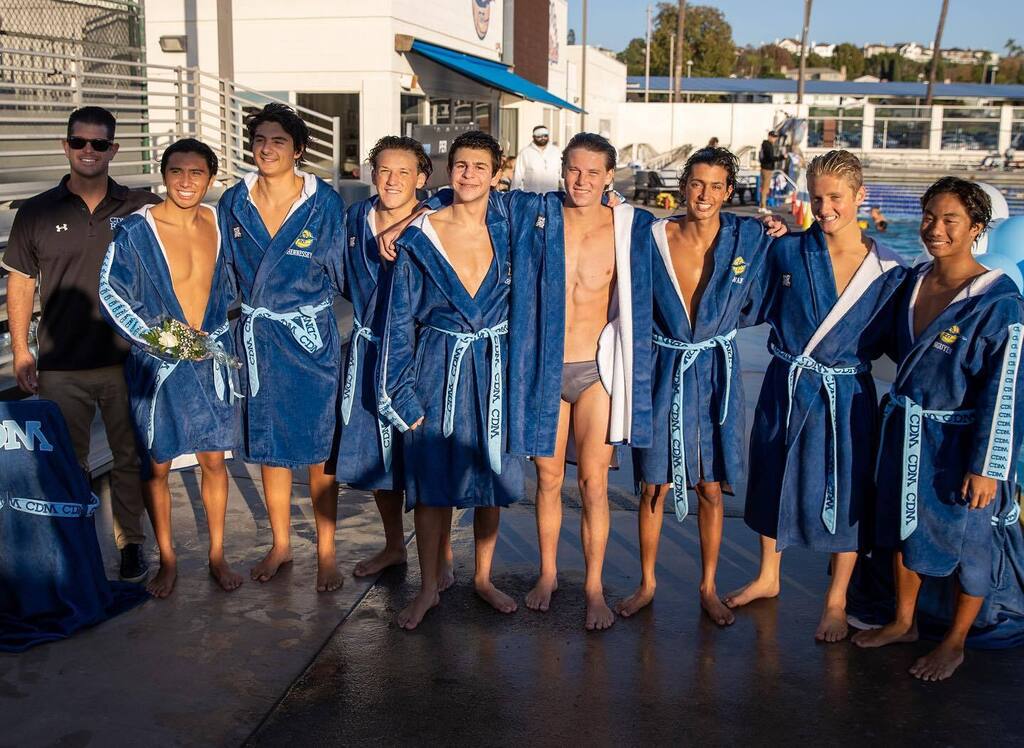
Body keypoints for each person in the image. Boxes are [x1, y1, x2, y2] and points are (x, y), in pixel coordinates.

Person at [726, 150, 907, 642]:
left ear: (860, 197)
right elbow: (746, 303)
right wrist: (752, 240)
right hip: (786, 382)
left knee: (847, 491)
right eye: (818, 197)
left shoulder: (890, 270)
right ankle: (768, 575)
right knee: (772, 477)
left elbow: (904, 341)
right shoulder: (788, 250)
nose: (825, 208)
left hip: (846, 394)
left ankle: (836, 600)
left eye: (837, 198)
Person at [852, 178, 1024, 680]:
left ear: (977, 228)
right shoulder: (915, 280)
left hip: (960, 442)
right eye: (930, 217)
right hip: (906, 430)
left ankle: (955, 642)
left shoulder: (999, 303)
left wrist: (988, 468)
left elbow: (1005, 393)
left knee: (969, 541)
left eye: (950, 220)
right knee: (902, 529)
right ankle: (905, 621)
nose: (935, 229)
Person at [620, 147, 786, 625]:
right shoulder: (652, 237)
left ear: (729, 192)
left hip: (716, 375)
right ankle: (647, 583)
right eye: (697, 183)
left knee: (710, 487)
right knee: (653, 484)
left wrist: (778, 226)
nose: (705, 195)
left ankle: (708, 586)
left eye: (716, 187)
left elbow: (792, 260)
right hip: (663, 368)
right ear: (683, 185)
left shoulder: (747, 235)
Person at [2, 105, 159, 582]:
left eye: (98, 143)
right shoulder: (37, 211)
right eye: (78, 142)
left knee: (129, 459)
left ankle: (130, 543)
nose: (87, 151)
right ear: (65, 146)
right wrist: (23, 350)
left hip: (126, 358)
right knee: (70, 462)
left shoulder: (140, 206)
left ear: (114, 149)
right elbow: (22, 284)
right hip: (62, 361)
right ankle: (74, 545)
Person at [377, 131, 524, 630]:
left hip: (493, 366)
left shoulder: (512, 229)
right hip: (438, 365)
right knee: (431, 484)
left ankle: (483, 577)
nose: (467, 175)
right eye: (460, 165)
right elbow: (398, 320)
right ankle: (428, 586)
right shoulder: (420, 236)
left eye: (479, 167)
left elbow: (578, 201)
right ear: (447, 169)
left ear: (497, 171)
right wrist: (400, 390)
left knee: (488, 480)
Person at [99, 138, 243, 597]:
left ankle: (217, 555)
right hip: (158, 363)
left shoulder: (219, 222)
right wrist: (163, 336)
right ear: (164, 175)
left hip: (210, 358)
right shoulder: (137, 230)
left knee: (214, 461)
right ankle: (168, 559)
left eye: (196, 173)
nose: (186, 181)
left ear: (211, 178)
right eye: (177, 172)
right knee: (157, 465)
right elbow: (111, 291)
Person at [218, 103, 346, 593]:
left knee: (319, 450)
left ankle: (327, 551)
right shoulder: (234, 200)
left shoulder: (324, 203)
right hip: (258, 338)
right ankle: (280, 543)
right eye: (260, 140)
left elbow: (343, 269)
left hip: (310, 339)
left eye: (278, 141)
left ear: (299, 150)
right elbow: (222, 270)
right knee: (271, 449)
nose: (267, 149)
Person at [329, 135, 453, 587]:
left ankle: (442, 555)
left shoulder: (439, 218)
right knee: (381, 462)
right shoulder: (355, 217)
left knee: (425, 456)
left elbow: (464, 195)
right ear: (370, 174)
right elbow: (341, 276)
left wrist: (419, 215)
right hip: (368, 347)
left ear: (422, 178)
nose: (393, 180)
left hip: (421, 354)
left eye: (404, 172)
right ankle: (394, 545)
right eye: (384, 170)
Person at [512, 126, 562, 193]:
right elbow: (517, 176)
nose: (543, 138)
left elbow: (562, 174)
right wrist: (512, 195)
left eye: (545, 135)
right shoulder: (525, 153)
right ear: (533, 137)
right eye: (539, 136)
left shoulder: (556, 152)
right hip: (531, 197)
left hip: (552, 196)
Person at [758, 130, 783, 214]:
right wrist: (781, 157)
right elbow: (770, 158)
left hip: (765, 168)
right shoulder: (767, 145)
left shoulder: (765, 144)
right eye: (773, 137)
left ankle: (762, 206)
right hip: (767, 169)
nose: (775, 139)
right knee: (765, 188)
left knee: (764, 188)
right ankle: (763, 207)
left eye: (776, 137)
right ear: (769, 136)